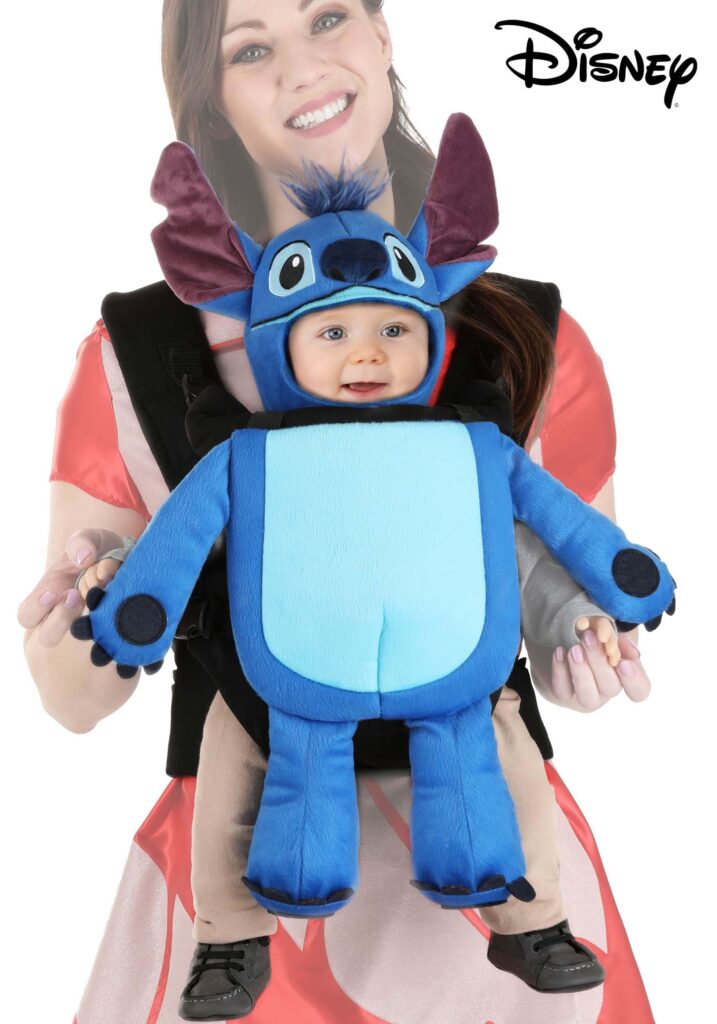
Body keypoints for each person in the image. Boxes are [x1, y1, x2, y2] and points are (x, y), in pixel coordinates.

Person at [19, 2, 656, 1021]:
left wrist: (584, 645)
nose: (304, 66)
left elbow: (562, 617)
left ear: (382, 32)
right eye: (251, 47)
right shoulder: (136, 353)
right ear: (210, 99)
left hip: (497, 869)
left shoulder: (534, 336)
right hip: (240, 887)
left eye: (327, 17)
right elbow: (74, 700)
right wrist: (87, 614)